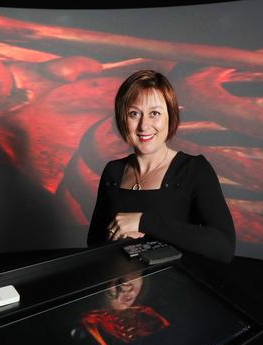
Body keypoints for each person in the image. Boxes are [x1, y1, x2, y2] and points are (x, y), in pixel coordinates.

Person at [87, 70, 235, 263]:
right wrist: (115, 239)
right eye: (134, 114)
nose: (144, 125)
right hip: (123, 290)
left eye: (154, 113)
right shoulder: (113, 172)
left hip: (176, 290)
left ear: (170, 117)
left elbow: (223, 247)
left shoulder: (194, 170)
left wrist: (143, 222)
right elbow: (93, 243)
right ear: (122, 118)